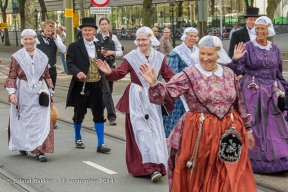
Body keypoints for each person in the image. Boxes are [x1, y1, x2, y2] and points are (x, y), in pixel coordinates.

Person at [139, 35, 257, 191]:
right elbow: (166, 94)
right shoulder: (189, 74)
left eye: (210, 54)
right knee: (200, 174)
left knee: (230, 175)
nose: (205, 58)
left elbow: (239, 104)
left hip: (229, 132)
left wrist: (248, 129)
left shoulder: (229, 74)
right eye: (202, 53)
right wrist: (154, 84)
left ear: (218, 54)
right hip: (200, 132)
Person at [96, 27, 175, 182]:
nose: (140, 43)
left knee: (155, 132)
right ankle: (149, 168)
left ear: (151, 40)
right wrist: (109, 71)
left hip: (154, 97)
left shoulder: (159, 57)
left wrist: (184, 83)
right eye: (138, 40)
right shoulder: (131, 57)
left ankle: (158, 165)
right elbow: (119, 73)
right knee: (141, 132)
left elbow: (170, 77)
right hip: (136, 98)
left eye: (144, 39)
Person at [227, 16, 288, 173]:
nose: (260, 31)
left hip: (272, 92)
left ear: (268, 31)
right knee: (255, 126)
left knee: (275, 126)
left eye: (263, 29)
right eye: (258, 28)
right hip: (252, 91)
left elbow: (278, 72)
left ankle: (278, 159)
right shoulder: (248, 46)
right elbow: (235, 69)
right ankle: (253, 160)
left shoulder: (274, 48)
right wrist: (235, 59)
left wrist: (285, 89)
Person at [4, 29, 54, 162]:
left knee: (40, 120)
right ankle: (24, 144)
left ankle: (39, 149)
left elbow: (47, 75)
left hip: (40, 91)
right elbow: (12, 76)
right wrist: (12, 93)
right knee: (24, 119)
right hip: (23, 91)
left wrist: (50, 92)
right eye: (25, 39)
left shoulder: (43, 57)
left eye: (30, 39)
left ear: (34, 39)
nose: (28, 41)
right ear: (22, 40)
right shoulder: (16, 56)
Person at [66, 17, 111, 153]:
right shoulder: (74, 46)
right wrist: (77, 72)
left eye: (90, 30)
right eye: (84, 30)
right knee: (79, 113)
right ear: (81, 31)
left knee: (99, 113)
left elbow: (103, 63)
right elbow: (70, 63)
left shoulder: (99, 46)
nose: (87, 32)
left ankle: (101, 144)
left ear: (94, 31)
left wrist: (106, 58)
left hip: (97, 85)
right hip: (81, 86)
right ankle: (78, 137)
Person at [163, 27, 199, 138]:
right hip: (180, 92)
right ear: (185, 37)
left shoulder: (198, 51)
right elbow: (171, 74)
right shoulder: (177, 52)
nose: (193, 38)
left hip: (196, 91)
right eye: (190, 36)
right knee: (179, 117)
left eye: (195, 36)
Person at [95, 17, 123, 126]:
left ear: (108, 25)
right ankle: (112, 116)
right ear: (100, 26)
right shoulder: (95, 38)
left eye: (105, 24)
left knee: (108, 92)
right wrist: (100, 52)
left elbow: (120, 52)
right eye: (102, 24)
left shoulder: (114, 37)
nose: (104, 26)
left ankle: (100, 113)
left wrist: (111, 52)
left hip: (111, 67)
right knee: (106, 91)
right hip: (101, 68)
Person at [36, 19, 66, 89]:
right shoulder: (37, 38)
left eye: (51, 31)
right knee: (41, 92)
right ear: (43, 28)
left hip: (52, 69)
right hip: (40, 69)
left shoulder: (56, 37)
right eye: (48, 30)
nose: (50, 33)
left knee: (51, 90)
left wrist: (55, 39)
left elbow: (63, 50)